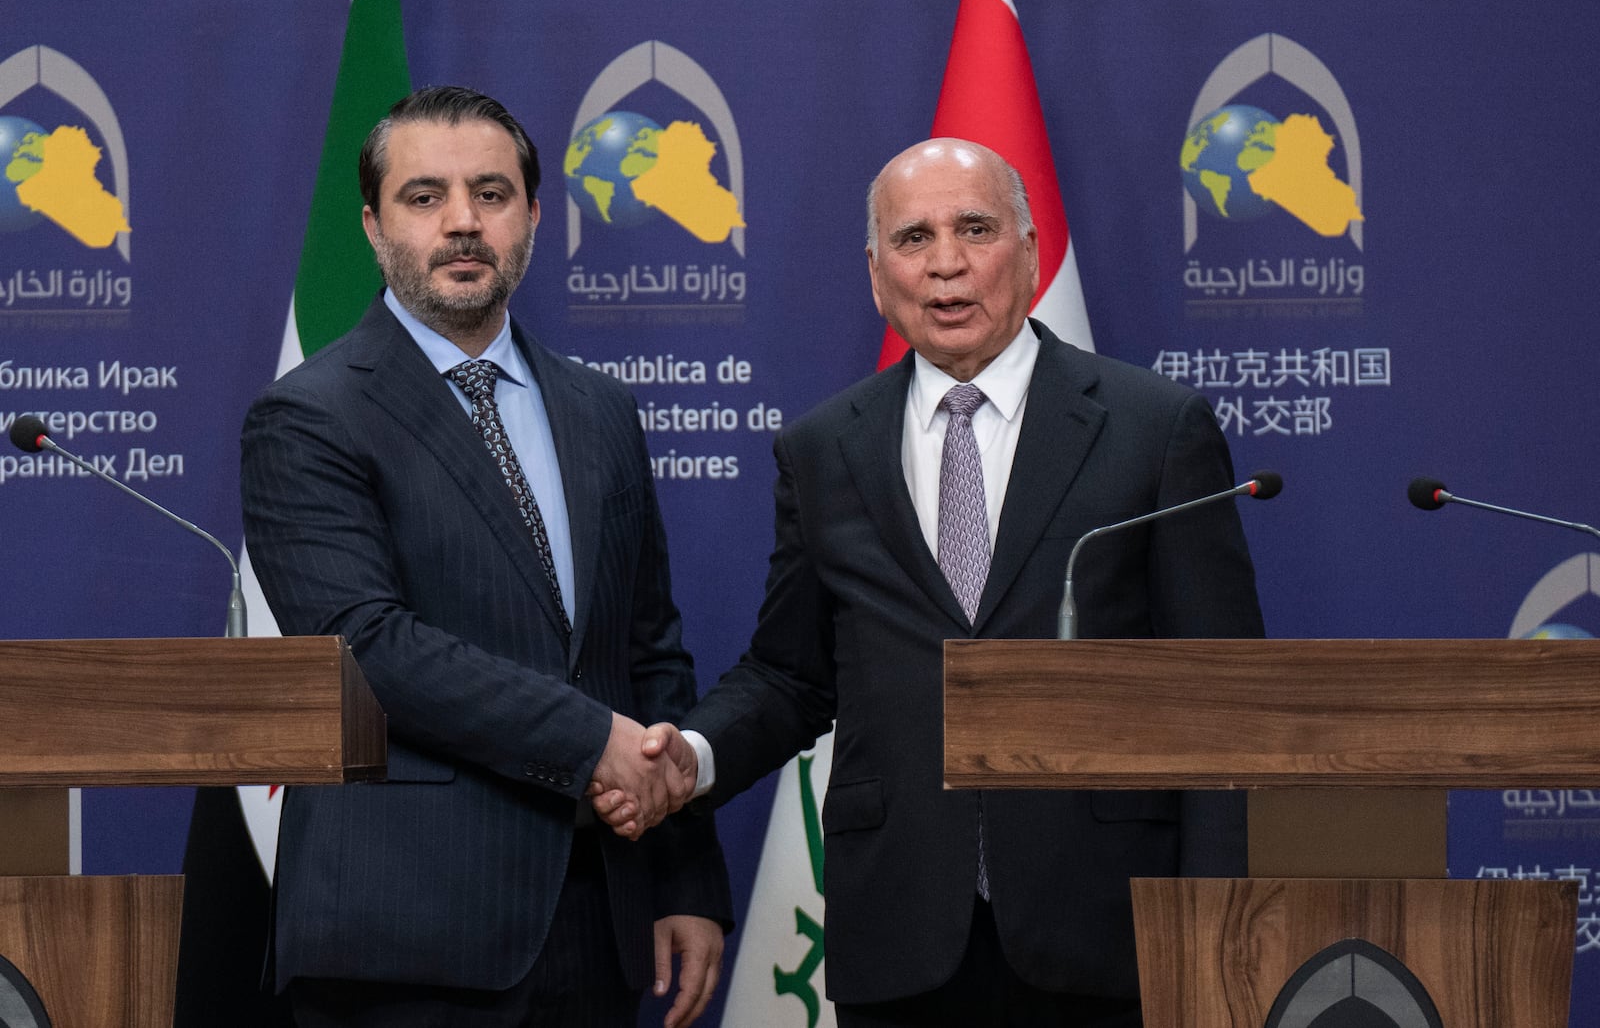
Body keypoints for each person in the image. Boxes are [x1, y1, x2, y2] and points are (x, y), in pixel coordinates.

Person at [594, 138, 1264, 1026]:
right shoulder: (824, 448)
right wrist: (697, 755)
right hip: (901, 929)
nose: (945, 263)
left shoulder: (1153, 428)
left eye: (974, 228)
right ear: (878, 275)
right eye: (913, 238)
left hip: (1109, 928)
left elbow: (1221, 699)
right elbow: (790, 673)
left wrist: (1212, 927)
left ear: (1028, 252)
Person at [240, 85, 729, 1028]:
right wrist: (593, 739)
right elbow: (367, 646)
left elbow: (649, 648)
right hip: (404, 936)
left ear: (535, 217)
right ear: (375, 225)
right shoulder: (308, 415)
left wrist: (685, 875)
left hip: (598, 922)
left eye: (492, 194)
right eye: (425, 197)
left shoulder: (601, 409)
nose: (463, 222)